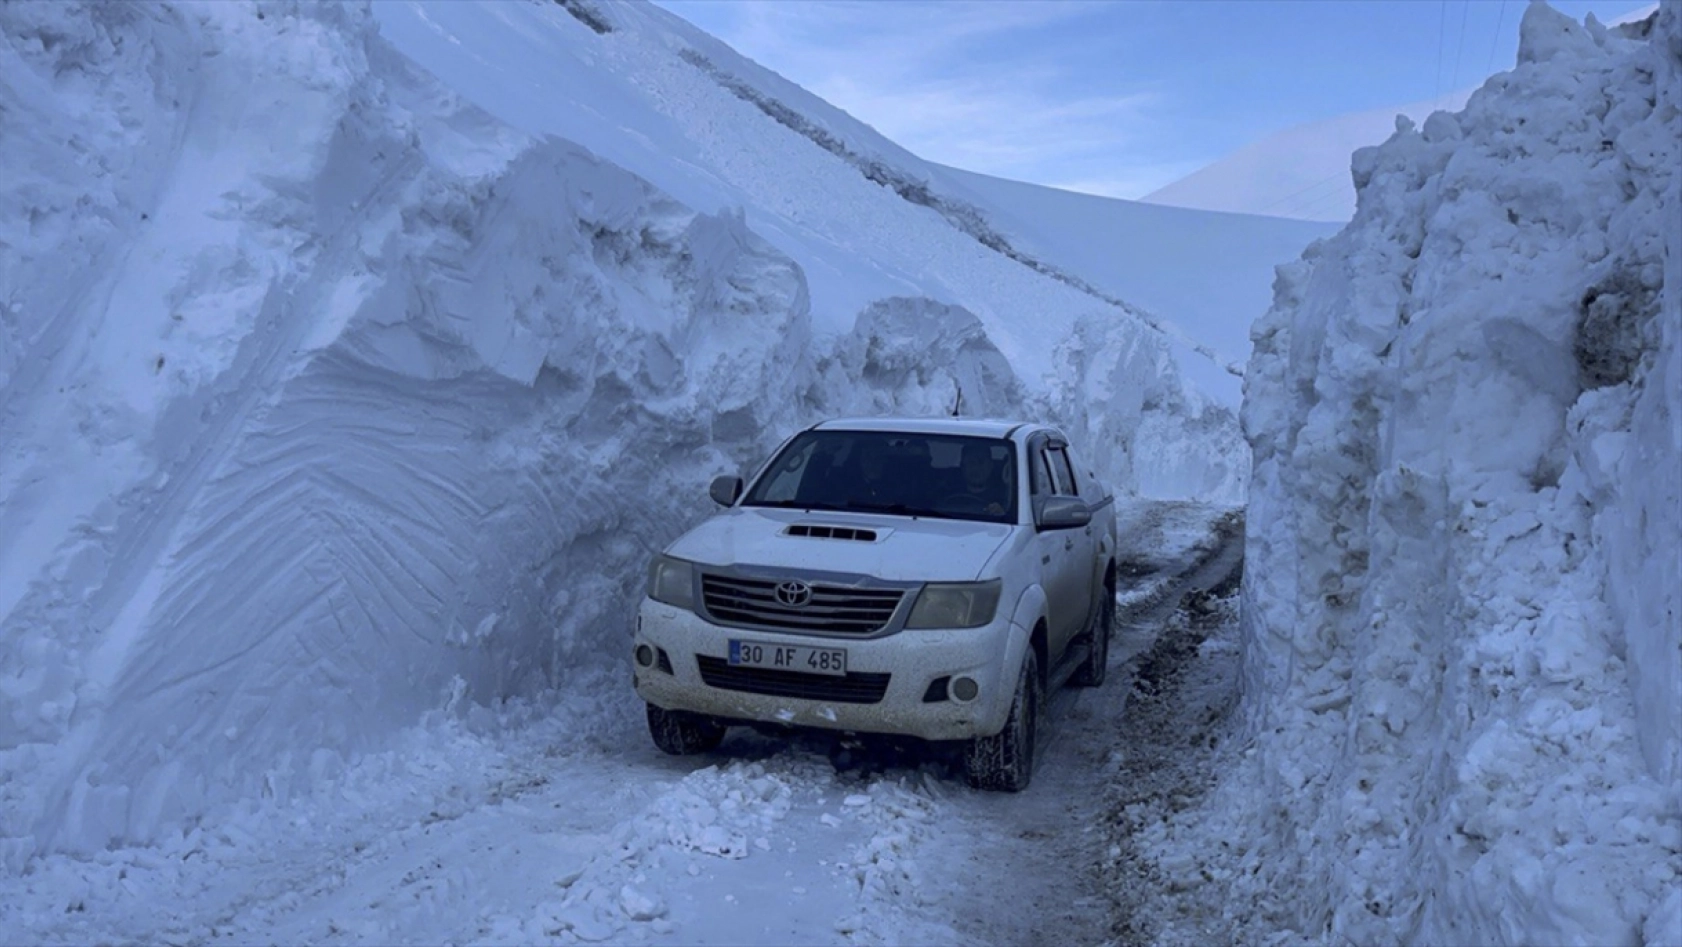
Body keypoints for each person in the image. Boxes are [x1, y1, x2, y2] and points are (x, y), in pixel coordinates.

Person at [953, 442, 1008, 515]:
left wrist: (1001, 515)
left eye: (981, 462)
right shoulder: (946, 493)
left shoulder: (1005, 497)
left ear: (990, 465)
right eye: (971, 462)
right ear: (962, 466)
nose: (976, 468)